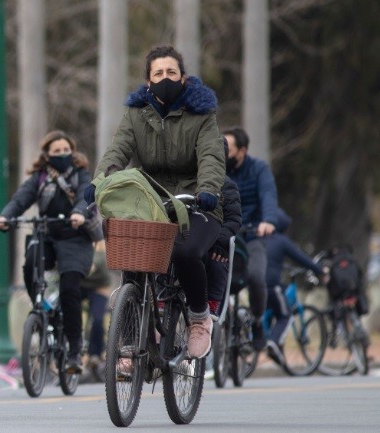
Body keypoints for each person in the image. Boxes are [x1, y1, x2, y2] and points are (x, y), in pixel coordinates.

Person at [89, 45, 224, 359]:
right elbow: (117, 151)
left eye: (171, 72)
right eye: (159, 73)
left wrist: (208, 190)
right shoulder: (136, 115)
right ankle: (130, 341)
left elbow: (211, 158)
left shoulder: (202, 115)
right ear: (148, 81)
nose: (166, 78)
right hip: (150, 202)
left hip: (195, 203)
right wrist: (100, 182)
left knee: (186, 251)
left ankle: (199, 317)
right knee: (133, 257)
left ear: (182, 77)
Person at [0, 130, 95, 373]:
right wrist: (5, 217)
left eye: (66, 150)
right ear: (47, 155)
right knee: (30, 263)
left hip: (75, 237)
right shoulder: (39, 178)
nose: (62, 155)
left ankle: (73, 350)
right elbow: (20, 200)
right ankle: (40, 307)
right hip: (47, 234)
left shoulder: (81, 174)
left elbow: (85, 197)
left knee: (70, 288)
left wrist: (80, 213)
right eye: (56, 151)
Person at [224, 125, 280, 351]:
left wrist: (268, 220)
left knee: (256, 277)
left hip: (253, 233)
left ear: (242, 151)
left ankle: (257, 321)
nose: (223, 153)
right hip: (226, 232)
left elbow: (268, 195)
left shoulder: (259, 169)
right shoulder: (217, 169)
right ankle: (219, 322)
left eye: (228, 149)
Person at [263, 208, 326, 363]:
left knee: (268, 308)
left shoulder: (260, 238)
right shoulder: (281, 241)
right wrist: (320, 270)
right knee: (285, 315)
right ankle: (273, 341)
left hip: (253, 284)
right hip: (270, 285)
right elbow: (301, 258)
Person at [205, 138, 243, 319]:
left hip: (213, 243)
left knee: (217, 262)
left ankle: (212, 305)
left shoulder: (227, 185)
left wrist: (219, 241)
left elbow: (233, 219)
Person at [79, 240, 111, 381]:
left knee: (98, 320)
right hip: (79, 286)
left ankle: (95, 354)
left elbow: (99, 263)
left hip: (99, 287)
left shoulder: (100, 243)